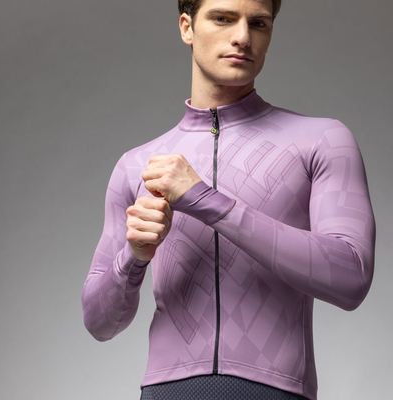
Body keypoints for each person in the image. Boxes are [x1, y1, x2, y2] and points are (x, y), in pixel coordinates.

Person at [81, 0, 375, 399]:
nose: (242, 37)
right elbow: (100, 323)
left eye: (259, 23)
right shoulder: (137, 165)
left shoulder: (321, 141)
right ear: (187, 27)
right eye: (222, 18)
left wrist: (203, 199)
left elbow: (350, 278)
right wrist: (133, 257)